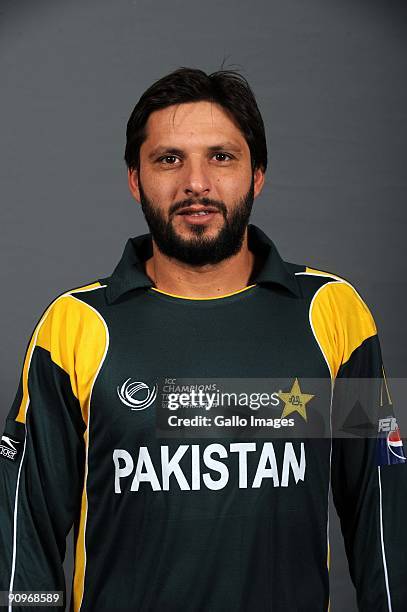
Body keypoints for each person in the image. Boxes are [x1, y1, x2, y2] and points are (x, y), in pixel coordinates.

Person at [0, 67, 406, 612]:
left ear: (257, 175)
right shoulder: (74, 326)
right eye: (169, 159)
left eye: (222, 156)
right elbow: (24, 535)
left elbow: (384, 520)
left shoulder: (332, 314)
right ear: (134, 179)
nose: (196, 182)